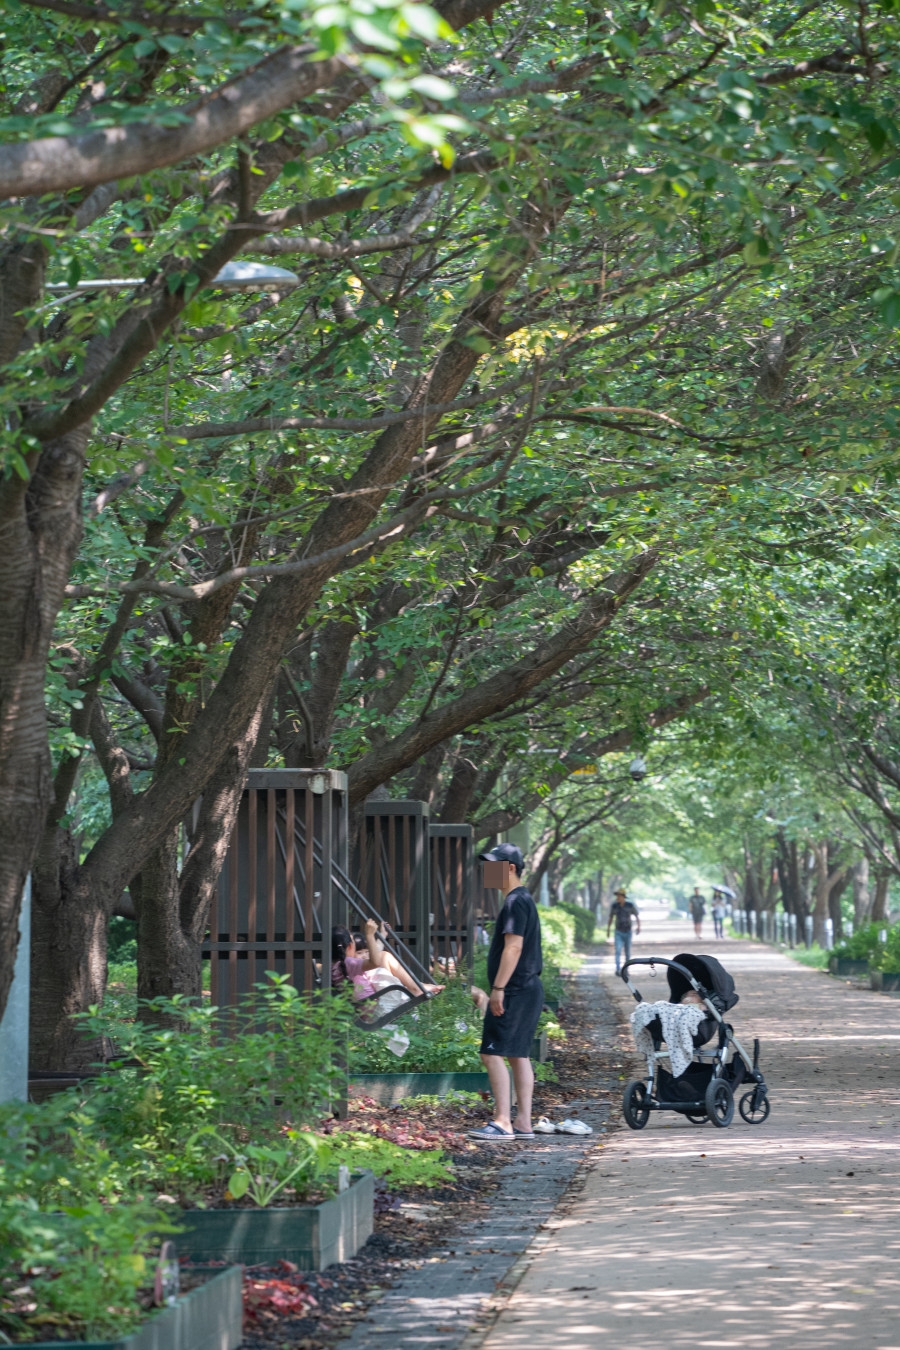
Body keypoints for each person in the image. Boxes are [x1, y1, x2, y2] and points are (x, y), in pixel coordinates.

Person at [468, 843, 543, 1142]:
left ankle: (502, 1121)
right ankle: (523, 1122)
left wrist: (497, 988)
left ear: (509, 868)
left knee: (491, 1052)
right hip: (527, 988)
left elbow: (513, 947)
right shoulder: (523, 899)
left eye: (492, 865)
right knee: (517, 1055)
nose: (486, 871)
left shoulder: (514, 902)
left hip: (514, 989)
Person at [331, 919, 443, 1000]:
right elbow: (375, 962)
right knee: (385, 956)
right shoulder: (349, 963)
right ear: (350, 946)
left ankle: (416, 986)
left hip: (370, 1004)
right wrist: (369, 935)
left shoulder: (336, 965)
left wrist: (382, 935)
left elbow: (375, 954)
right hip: (375, 1008)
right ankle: (416, 988)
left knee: (383, 956)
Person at [607, 888, 640, 975]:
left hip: (628, 932)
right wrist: (608, 929)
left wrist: (638, 926)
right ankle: (618, 969)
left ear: (623, 897)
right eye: (617, 896)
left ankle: (626, 969)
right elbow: (611, 918)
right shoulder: (614, 906)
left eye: (619, 896)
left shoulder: (630, 905)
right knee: (618, 950)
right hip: (618, 932)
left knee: (627, 952)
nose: (617, 897)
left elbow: (636, 916)